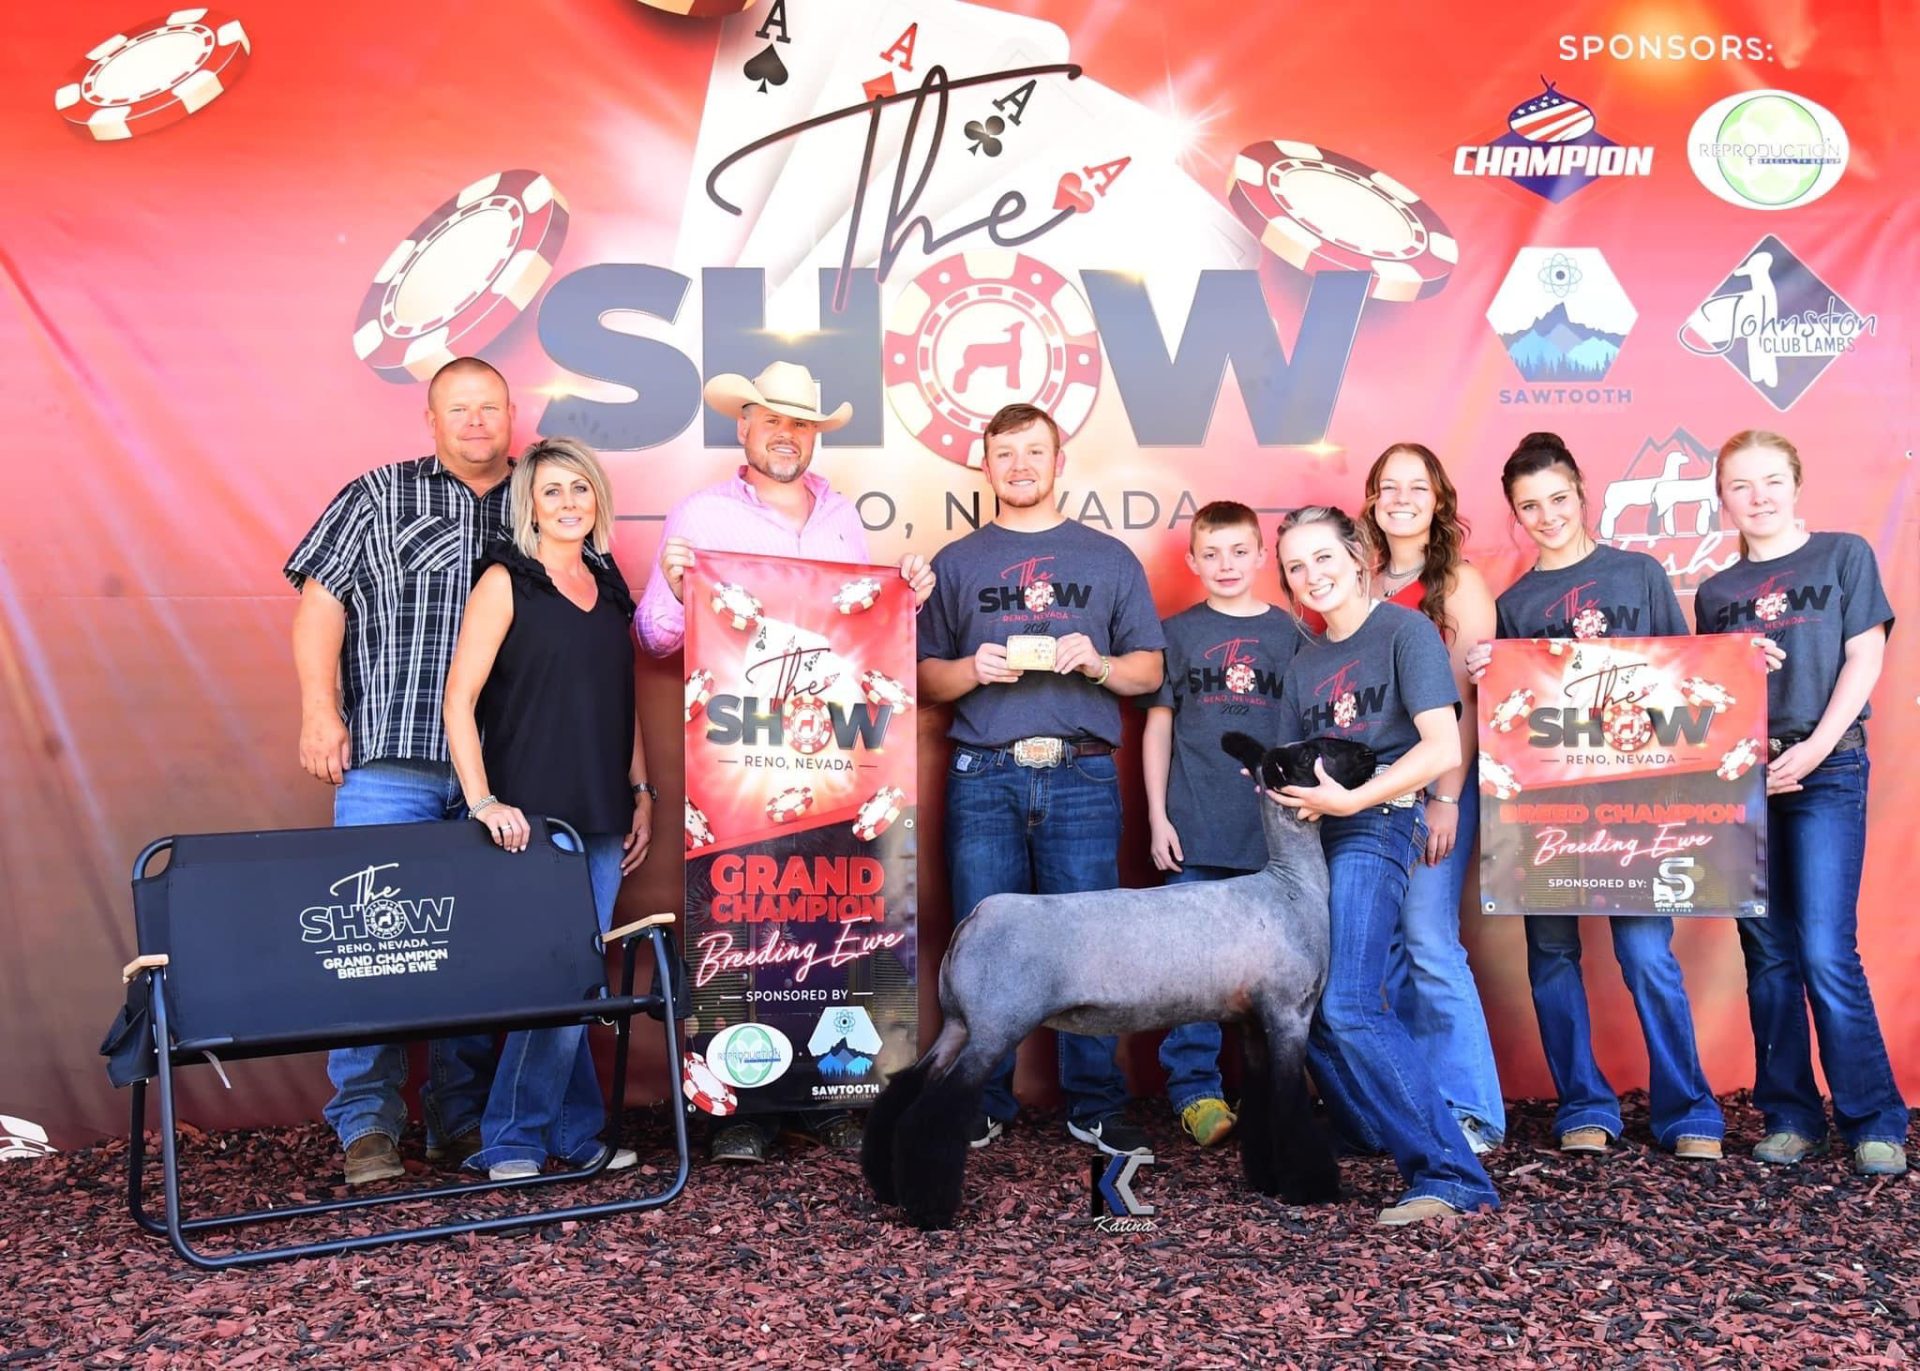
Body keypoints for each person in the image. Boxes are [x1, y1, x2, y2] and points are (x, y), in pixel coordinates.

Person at [636, 360, 935, 1164]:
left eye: (800, 423)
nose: (786, 435)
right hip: (739, 768)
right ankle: (741, 1109)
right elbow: (655, 635)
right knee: (737, 927)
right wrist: (675, 585)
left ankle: (831, 1096)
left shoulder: (843, 517)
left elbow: (862, 625)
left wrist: (905, 591)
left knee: (836, 924)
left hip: (839, 763)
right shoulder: (701, 513)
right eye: (771, 419)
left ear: (814, 435)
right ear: (744, 425)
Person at [1464, 431, 1725, 1161]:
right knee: (1551, 954)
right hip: (1547, 807)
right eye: (1529, 506)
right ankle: (1583, 1102)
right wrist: (1489, 669)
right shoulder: (1513, 605)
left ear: (1582, 493)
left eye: (1557, 499)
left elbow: (1686, 675)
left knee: (1645, 954)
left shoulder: (1639, 575)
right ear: (1515, 514)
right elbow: (1510, 717)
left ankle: (1689, 1108)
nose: (1546, 516)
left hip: (1638, 802)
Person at [284, 356, 511, 1185]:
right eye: (460, 408)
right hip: (392, 755)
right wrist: (319, 710)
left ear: (510, 415)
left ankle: (459, 1115)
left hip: (500, 770)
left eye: (490, 407)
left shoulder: (540, 498)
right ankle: (368, 1122)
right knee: (367, 945)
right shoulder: (378, 493)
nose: (476, 421)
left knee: (480, 949)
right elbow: (321, 602)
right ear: (432, 419)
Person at [917, 402, 1166, 1157]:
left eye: (1034, 451)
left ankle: (1096, 1101)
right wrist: (970, 669)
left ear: (1060, 461)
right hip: (984, 773)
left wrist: (1099, 664)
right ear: (985, 464)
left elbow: (1150, 670)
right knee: (984, 944)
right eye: (1005, 453)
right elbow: (923, 678)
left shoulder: (1109, 558)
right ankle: (981, 1097)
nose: (1020, 465)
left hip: (1081, 773)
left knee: (1090, 945)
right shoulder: (956, 562)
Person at [1265, 505, 1497, 1226]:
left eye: (1323, 558)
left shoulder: (1405, 631)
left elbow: (1441, 747)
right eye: (1296, 567)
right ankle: (1375, 1129)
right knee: (1307, 1005)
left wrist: (1355, 799)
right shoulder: (1303, 664)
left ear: (1358, 557)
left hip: (1380, 822)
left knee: (1351, 1002)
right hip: (1315, 839)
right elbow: (1288, 768)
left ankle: (1452, 1175)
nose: (1312, 575)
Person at [1693, 430, 1908, 1176]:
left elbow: (1865, 656)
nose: (1758, 497)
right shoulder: (1715, 593)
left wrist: (1813, 749)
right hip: (1746, 781)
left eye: (1772, 481)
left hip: (1828, 767)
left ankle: (1873, 1116)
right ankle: (1790, 1116)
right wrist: (1745, 759)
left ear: (1796, 483)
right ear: (1722, 499)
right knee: (1769, 954)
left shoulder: (1843, 555)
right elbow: (1708, 696)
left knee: (1824, 949)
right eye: (1741, 485)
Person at [442, 437, 652, 1180]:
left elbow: (622, 700)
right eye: (552, 490)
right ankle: (511, 1138)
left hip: (602, 808)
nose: (568, 503)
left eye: (580, 488)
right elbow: (458, 700)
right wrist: (483, 800)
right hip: (531, 815)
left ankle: (574, 1129)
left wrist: (642, 790)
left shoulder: (607, 579)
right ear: (529, 505)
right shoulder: (506, 580)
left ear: (598, 498)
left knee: (582, 975)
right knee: (556, 973)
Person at [1358, 444, 1506, 1156]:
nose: (1402, 499)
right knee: (1385, 948)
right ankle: (1417, 1106)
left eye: (1416, 487)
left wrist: (1446, 797)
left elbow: (1469, 704)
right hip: (1370, 790)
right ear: (1372, 499)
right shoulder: (1361, 578)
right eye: (1389, 487)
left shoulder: (1459, 584)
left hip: (1432, 786)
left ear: (1439, 499)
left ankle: (1472, 1111)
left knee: (1427, 940)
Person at [1141, 500, 1299, 1148]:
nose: (1226, 564)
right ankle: (1195, 1091)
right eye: (1212, 553)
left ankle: (1270, 1091)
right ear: (1192, 561)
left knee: (1273, 970)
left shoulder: (1292, 633)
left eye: (1239, 551)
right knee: (1192, 968)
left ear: (1262, 556)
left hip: (1271, 835)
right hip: (1195, 824)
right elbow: (1158, 726)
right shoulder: (1176, 633)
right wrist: (1158, 816)